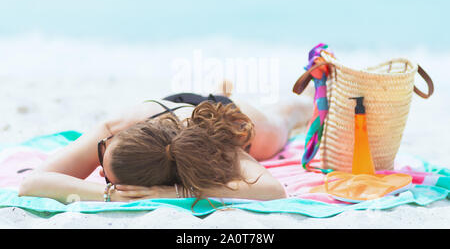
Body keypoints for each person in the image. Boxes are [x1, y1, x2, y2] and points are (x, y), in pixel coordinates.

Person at [18, 80, 313, 204]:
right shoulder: (113, 137)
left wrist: (164, 193)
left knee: (277, 127)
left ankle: (301, 103)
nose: (98, 173)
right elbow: (31, 184)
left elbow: (273, 190)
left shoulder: (211, 143)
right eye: (106, 177)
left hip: (219, 118)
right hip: (171, 117)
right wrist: (119, 195)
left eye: (106, 178)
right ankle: (219, 85)